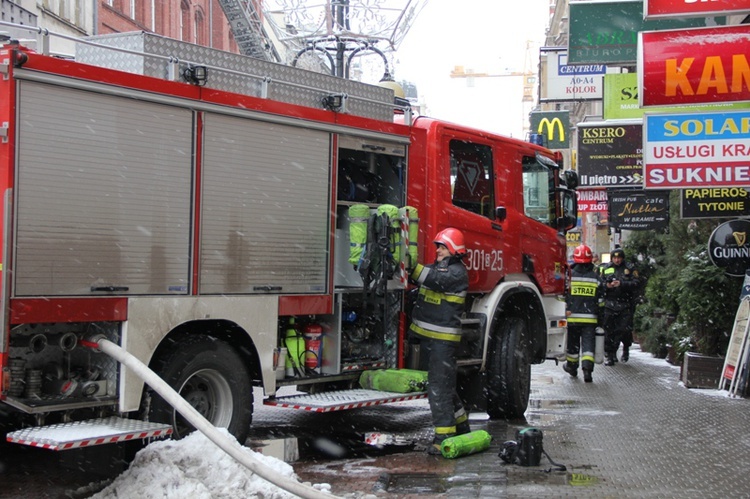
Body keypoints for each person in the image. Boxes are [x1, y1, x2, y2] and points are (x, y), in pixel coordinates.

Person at [409, 227, 470, 455]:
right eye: (438, 247)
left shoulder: (456, 273)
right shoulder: (441, 268)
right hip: (433, 341)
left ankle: (443, 438)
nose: (438, 251)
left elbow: (431, 278)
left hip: (442, 342)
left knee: (439, 389)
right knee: (444, 386)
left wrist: (409, 264)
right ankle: (461, 425)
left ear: (454, 250)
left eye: (443, 247)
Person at [563, 244, 605, 383]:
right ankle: (587, 372)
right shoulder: (596, 278)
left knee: (572, 345)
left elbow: (563, 297)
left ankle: (572, 367)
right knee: (588, 346)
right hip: (590, 320)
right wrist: (601, 320)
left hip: (572, 318)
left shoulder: (569, 277)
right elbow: (601, 302)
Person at [599, 247, 640, 365]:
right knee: (609, 330)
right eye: (615, 258)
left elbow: (636, 283)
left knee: (623, 329)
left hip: (625, 303)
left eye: (619, 258)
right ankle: (610, 354)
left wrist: (622, 284)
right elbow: (600, 283)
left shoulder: (629, 268)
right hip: (610, 303)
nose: (617, 260)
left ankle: (625, 348)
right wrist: (607, 286)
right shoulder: (606, 268)